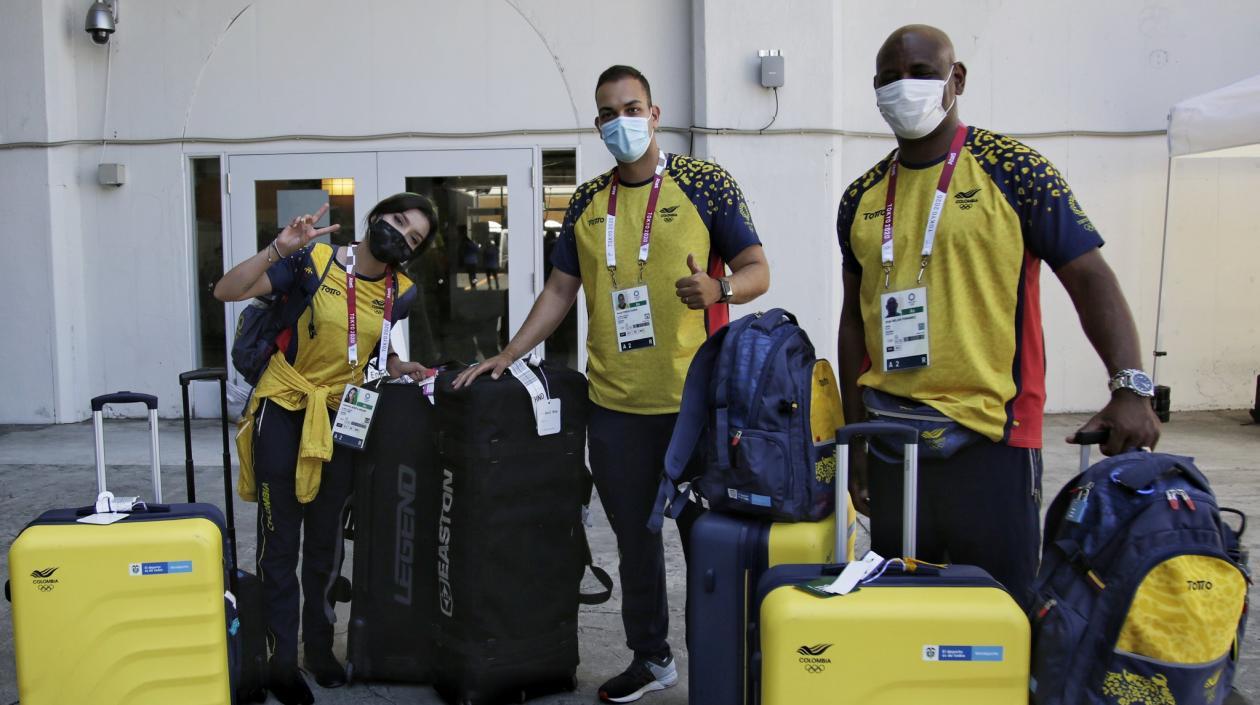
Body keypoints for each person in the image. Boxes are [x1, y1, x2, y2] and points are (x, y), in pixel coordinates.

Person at [453, 64, 770, 703]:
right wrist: (510, 354)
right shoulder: (587, 201)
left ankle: (723, 666)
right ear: (598, 124)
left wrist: (721, 289)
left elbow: (758, 268)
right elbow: (560, 290)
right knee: (635, 539)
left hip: (695, 405)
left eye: (632, 108)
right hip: (616, 406)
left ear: (654, 115)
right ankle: (652, 660)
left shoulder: (705, 183)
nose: (620, 121)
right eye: (607, 113)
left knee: (705, 541)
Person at [836, 25, 1160, 612]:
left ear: (956, 79)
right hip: (889, 444)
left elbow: (1089, 276)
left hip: (991, 439)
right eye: (889, 78)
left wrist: (1131, 386)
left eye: (921, 73)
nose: (903, 88)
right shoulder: (859, 197)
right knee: (902, 619)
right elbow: (854, 322)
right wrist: (854, 445)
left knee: (998, 623)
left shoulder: (1015, 171)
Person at [214, 194, 436, 705]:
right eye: (397, 221)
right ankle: (279, 659)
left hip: (344, 417)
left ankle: (319, 649)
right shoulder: (311, 261)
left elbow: (371, 345)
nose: (400, 235)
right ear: (376, 215)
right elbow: (226, 290)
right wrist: (279, 247)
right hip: (285, 406)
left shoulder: (402, 291)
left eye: (413, 237)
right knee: (280, 540)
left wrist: (400, 366)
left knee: (326, 543)